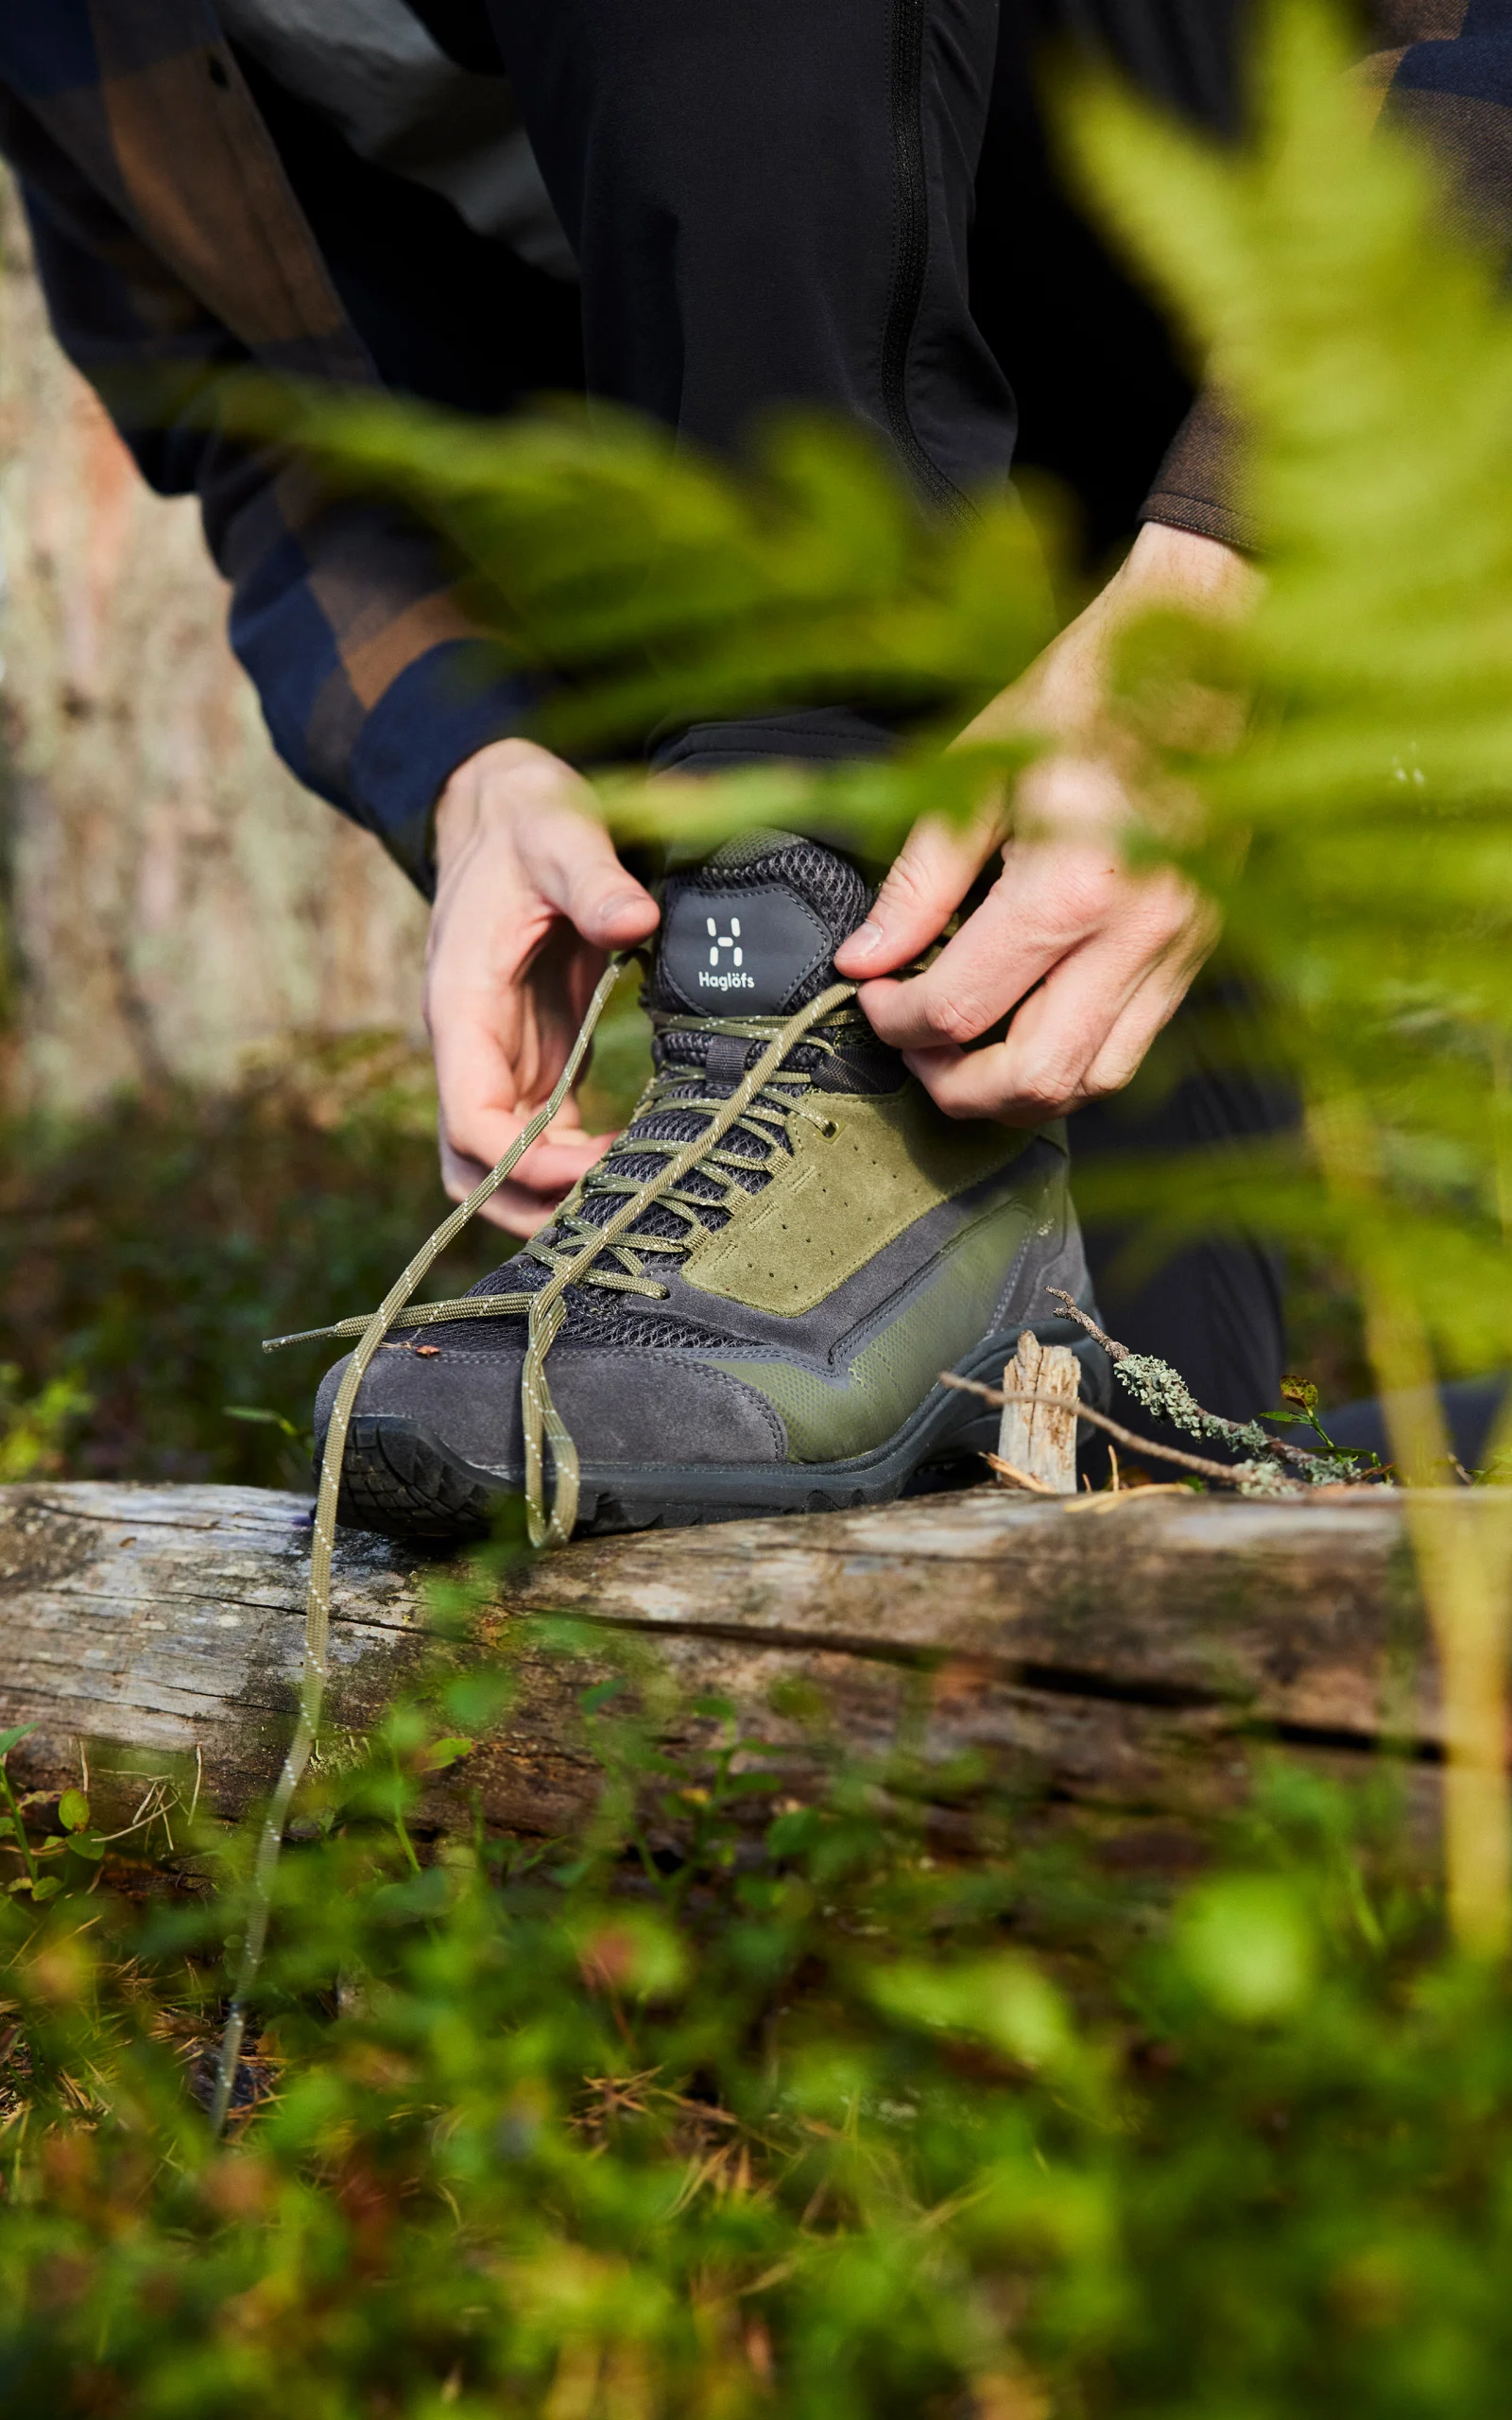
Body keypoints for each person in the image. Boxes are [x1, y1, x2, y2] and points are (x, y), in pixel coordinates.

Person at [0, 2, 1481, 1532]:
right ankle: (798, 1044)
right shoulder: (68, 40)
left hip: (1249, 426)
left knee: (1165, 1509)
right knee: (1136, 1504)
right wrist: (473, 762)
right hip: (759, 630)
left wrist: (1233, 573)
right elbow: (260, 433)